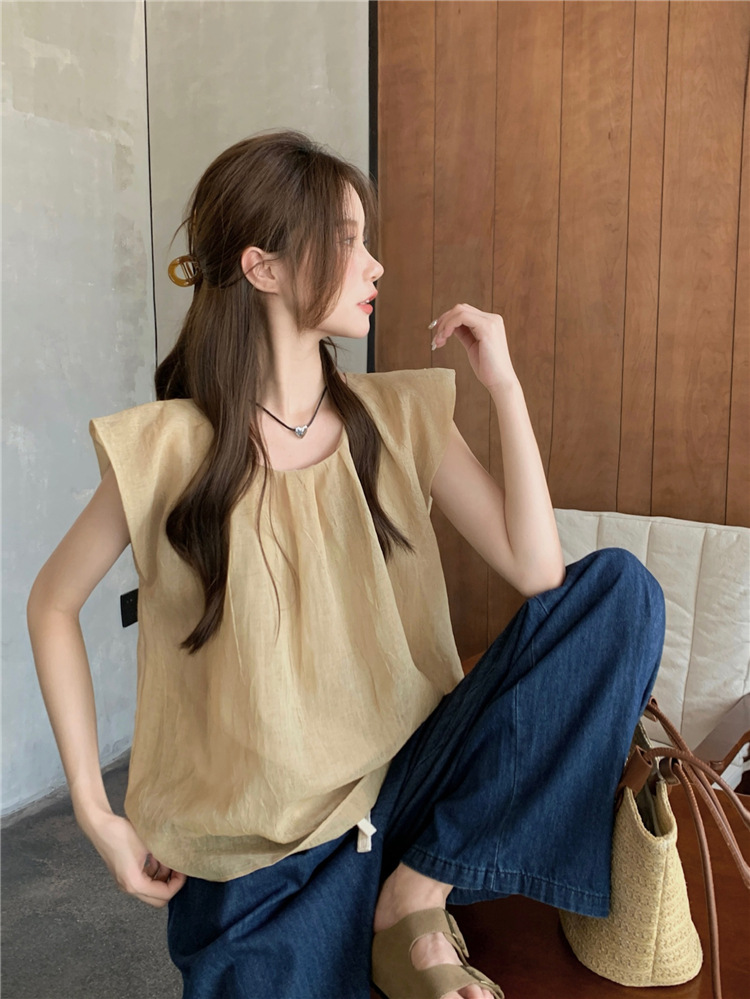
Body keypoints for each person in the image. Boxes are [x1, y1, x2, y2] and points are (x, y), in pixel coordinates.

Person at [27, 129, 665, 999]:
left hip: (409, 793)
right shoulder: (169, 448)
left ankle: (417, 895)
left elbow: (539, 572)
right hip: (263, 858)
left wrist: (505, 387)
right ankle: (392, 926)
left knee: (622, 592)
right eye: (348, 239)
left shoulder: (398, 415)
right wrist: (94, 808)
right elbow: (51, 604)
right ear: (263, 267)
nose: (375, 265)